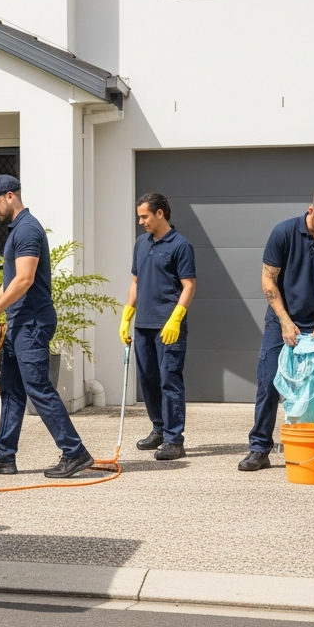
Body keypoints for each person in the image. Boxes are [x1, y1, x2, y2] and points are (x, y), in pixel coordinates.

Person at [0, 175, 93, 479]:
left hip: (32, 322)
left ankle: (75, 452)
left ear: (10, 196)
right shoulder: (16, 231)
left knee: (37, 386)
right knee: (11, 389)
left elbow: (25, 279)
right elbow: (10, 281)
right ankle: (4, 455)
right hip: (19, 321)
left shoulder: (27, 230)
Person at [239, 186, 314, 472]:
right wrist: (284, 320)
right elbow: (268, 280)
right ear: (311, 210)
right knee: (268, 383)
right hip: (281, 318)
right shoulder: (284, 233)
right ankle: (259, 449)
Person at [120, 192, 196, 461]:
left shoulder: (180, 245)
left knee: (169, 381)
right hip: (143, 325)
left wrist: (176, 318)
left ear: (160, 213)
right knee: (149, 380)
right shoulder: (141, 243)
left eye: (145, 216)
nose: (141, 221)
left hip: (168, 327)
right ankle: (159, 430)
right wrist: (127, 315)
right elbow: (136, 281)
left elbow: (189, 286)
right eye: (139, 216)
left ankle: (175, 439)